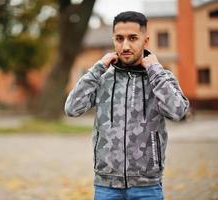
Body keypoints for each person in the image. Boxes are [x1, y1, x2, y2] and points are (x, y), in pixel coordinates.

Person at [64, 11, 189, 200]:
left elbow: (178, 112)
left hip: (148, 186)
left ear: (145, 41)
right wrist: (97, 68)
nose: (125, 45)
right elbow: (72, 108)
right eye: (119, 38)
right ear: (113, 40)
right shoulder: (102, 78)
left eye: (133, 38)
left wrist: (155, 70)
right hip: (106, 186)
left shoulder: (160, 78)